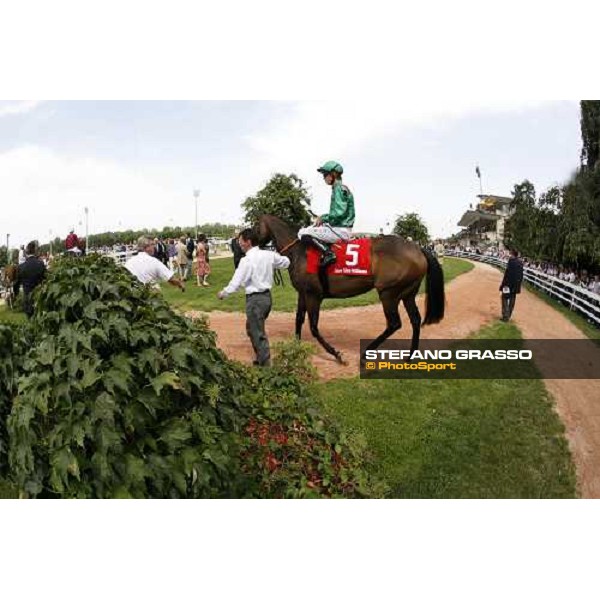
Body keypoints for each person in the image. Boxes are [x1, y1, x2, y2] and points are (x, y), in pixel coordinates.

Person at [217, 228, 290, 366]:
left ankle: (266, 366)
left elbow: (236, 282)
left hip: (255, 300)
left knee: (257, 332)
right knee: (252, 328)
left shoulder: (247, 260)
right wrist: (282, 255)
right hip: (267, 299)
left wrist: (223, 293)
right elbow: (286, 262)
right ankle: (260, 357)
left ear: (248, 242)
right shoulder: (269, 255)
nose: (239, 244)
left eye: (240, 241)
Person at [297, 160, 355, 267]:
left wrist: (323, 218)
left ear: (333, 174)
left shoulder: (338, 188)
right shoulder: (340, 188)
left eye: (325, 174)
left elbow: (339, 213)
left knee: (303, 233)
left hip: (340, 230)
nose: (324, 178)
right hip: (341, 228)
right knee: (313, 227)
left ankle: (328, 253)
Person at [15, 241, 46, 318]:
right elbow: (45, 280)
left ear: (27, 251)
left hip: (27, 300)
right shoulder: (41, 264)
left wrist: (16, 293)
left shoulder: (21, 267)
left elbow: (16, 284)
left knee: (30, 322)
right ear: (35, 251)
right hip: (39, 299)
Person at [499, 249, 524, 322]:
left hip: (508, 285)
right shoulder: (520, 263)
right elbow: (521, 275)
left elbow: (508, 275)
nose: (509, 255)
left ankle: (505, 316)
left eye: (510, 254)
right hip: (516, 285)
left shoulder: (511, 261)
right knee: (512, 300)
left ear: (513, 254)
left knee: (504, 298)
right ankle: (508, 315)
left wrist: (503, 285)